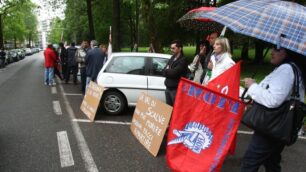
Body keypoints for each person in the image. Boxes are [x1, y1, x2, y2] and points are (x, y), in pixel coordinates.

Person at [241, 46, 305, 172]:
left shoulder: (286, 70)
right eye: (273, 47)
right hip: (280, 127)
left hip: (271, 128)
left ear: (287, 52)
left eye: (278, 48)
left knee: (250, 163)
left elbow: (273, 100)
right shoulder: (294, 69)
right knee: (271, 161)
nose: (272, 52)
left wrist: (252, 86)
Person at [163, 40, 188, 106]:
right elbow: (163, 71)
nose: (171, 50)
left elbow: (174, 73)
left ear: (180, 49)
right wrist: (168, 70)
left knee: (176, 110)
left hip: (176, 90)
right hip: (168, 88)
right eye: (171, 48)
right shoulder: (172, 57)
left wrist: (168, 70)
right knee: (169, 111)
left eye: (173, 48)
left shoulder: (183, 60)